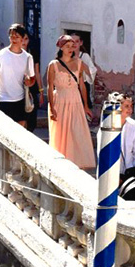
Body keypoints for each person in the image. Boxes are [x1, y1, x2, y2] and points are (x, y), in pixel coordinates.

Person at [47, 34, 95, 170]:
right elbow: (50, 87)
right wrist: (52, 108)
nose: (70, 49)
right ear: (61, 47)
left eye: (71, 46)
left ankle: (78, 161)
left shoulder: (78, 63)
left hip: (75, 100)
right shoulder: (53, 65)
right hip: (60, 100)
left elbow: (82, 85)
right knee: (62, 132)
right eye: (67, 46)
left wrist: (86, 106)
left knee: (77, 130)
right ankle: (61, 162)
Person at [0, 24, 35, 127]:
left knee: (21, 128)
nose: (14, 39)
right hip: (3, 100)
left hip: (20, 99)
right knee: (4, 129)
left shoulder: (28, 58)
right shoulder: (1, 55)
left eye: (17, 36)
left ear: (22, 39)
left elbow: (32, 79)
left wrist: (29, 82)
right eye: (11, 36)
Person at [106, 93, 135, 183]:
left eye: (131, 106)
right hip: (111, 173)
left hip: (129, 173)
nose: (130, 109)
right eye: (126, 106)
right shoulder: (107, 125)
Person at [21, 33, 45, 133]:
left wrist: (41, 91)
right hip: (19, 88)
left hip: (32, 87)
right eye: (22, 39)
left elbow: (37, 72)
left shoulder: (32, 53)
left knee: (32, 118)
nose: (24, 42)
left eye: (26, 39)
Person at [71, 33, 97, 110]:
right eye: (72, 41)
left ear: (80, 43)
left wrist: (80, 63)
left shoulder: (85, 56)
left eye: (77, 41)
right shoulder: (65, 56)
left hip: (82, 87)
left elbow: (92, 72)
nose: (74, 44)